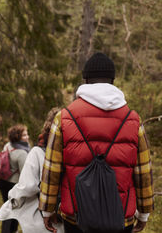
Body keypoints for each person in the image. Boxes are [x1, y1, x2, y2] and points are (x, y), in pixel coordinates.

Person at [39, 52, 154, 233]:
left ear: (85, 80)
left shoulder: (64, 117)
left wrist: (47, 209)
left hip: (77, 217)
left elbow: (52, 168)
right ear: (112, 81)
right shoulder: (133, 120)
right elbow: (143, 171)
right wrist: (144, 213)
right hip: (120, 217)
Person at [0, 108, 64, 233]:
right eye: (24, 134)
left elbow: (27, 184)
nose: (27, 137)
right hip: (66, 216)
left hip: (40, 218)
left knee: (9, 222)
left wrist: (13, 199)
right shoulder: (74, 153)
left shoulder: (32, 151)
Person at [0, 124, 30, 233]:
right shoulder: (22, 153)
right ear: (17, 137)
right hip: (13, 185)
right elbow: (25, 174)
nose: (27, 137)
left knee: (7, 210)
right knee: (13, 213)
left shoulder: (8, 146)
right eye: (24, 135)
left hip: (3, 182)